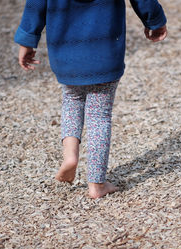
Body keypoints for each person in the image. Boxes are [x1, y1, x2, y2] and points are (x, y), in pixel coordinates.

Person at [14, 0, 167, 198]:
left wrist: (27, 40)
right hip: (104, 53)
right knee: (99, 117)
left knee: (72, 101)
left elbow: (35, 4)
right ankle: (96, 184)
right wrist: (154, 20)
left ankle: (70, 157)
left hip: (66, 53)